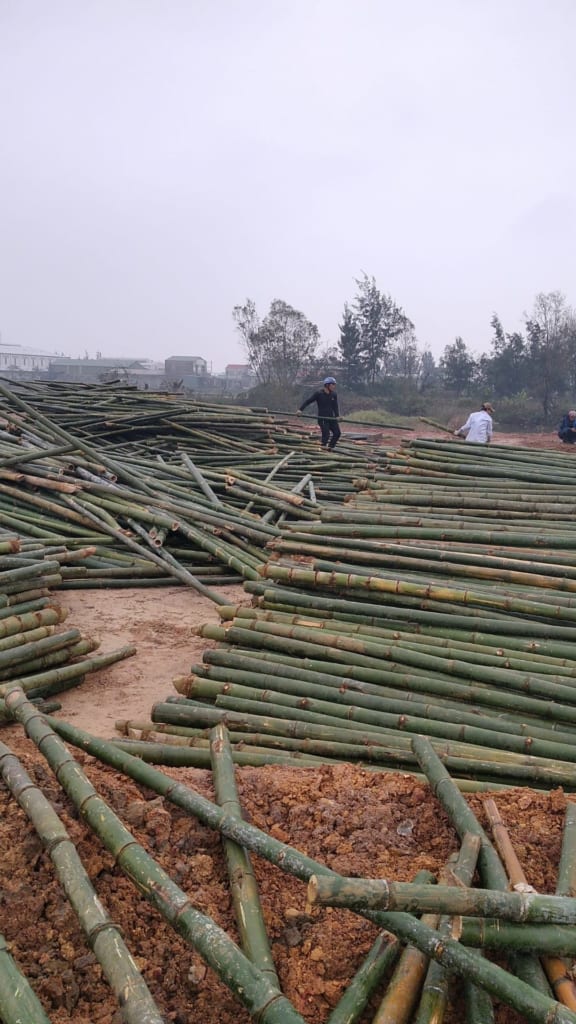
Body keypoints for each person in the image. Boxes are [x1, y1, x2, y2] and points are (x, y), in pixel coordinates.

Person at [297, 377, 341, 449]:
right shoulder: (319, 393)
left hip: (331, 418)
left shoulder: (334, 394)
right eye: (332, 384)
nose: (334, 386)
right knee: (326, 435)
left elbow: (335, 406)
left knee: (337, 433)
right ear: (327, 385)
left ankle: (330, 449)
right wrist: (300, 410)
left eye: (334, 384)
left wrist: (337, 416)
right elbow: (308, 401)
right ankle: (322, 449)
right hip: (322, 419)